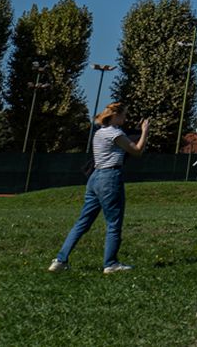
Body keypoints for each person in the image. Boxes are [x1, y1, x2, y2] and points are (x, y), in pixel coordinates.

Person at [51, 103, 149, 273]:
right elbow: (137, 151)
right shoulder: (116, 134)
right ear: (116, 115)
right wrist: (145, 131)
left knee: (83, 221)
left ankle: (60, 260)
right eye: (124, 114)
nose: (125, 118)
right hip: (110, 178)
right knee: (114, 223)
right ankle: (110, 263)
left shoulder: (99, 133)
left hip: (95, 178)